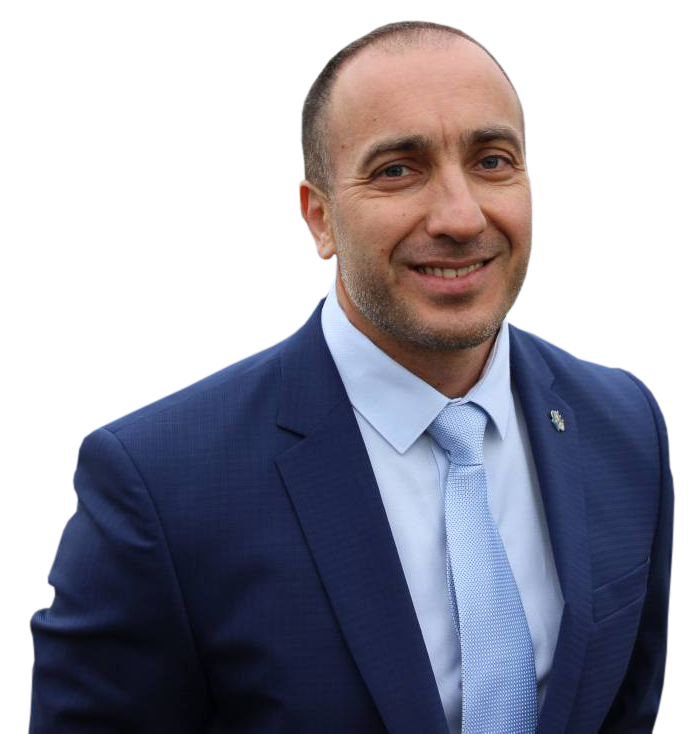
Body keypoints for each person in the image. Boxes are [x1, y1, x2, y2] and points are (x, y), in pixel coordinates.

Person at [28, 19, 674, 734]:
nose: (461, 217)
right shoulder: (159, 487)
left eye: (493, 161)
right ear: (319, 219)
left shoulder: (624, 427)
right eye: (398, 170)